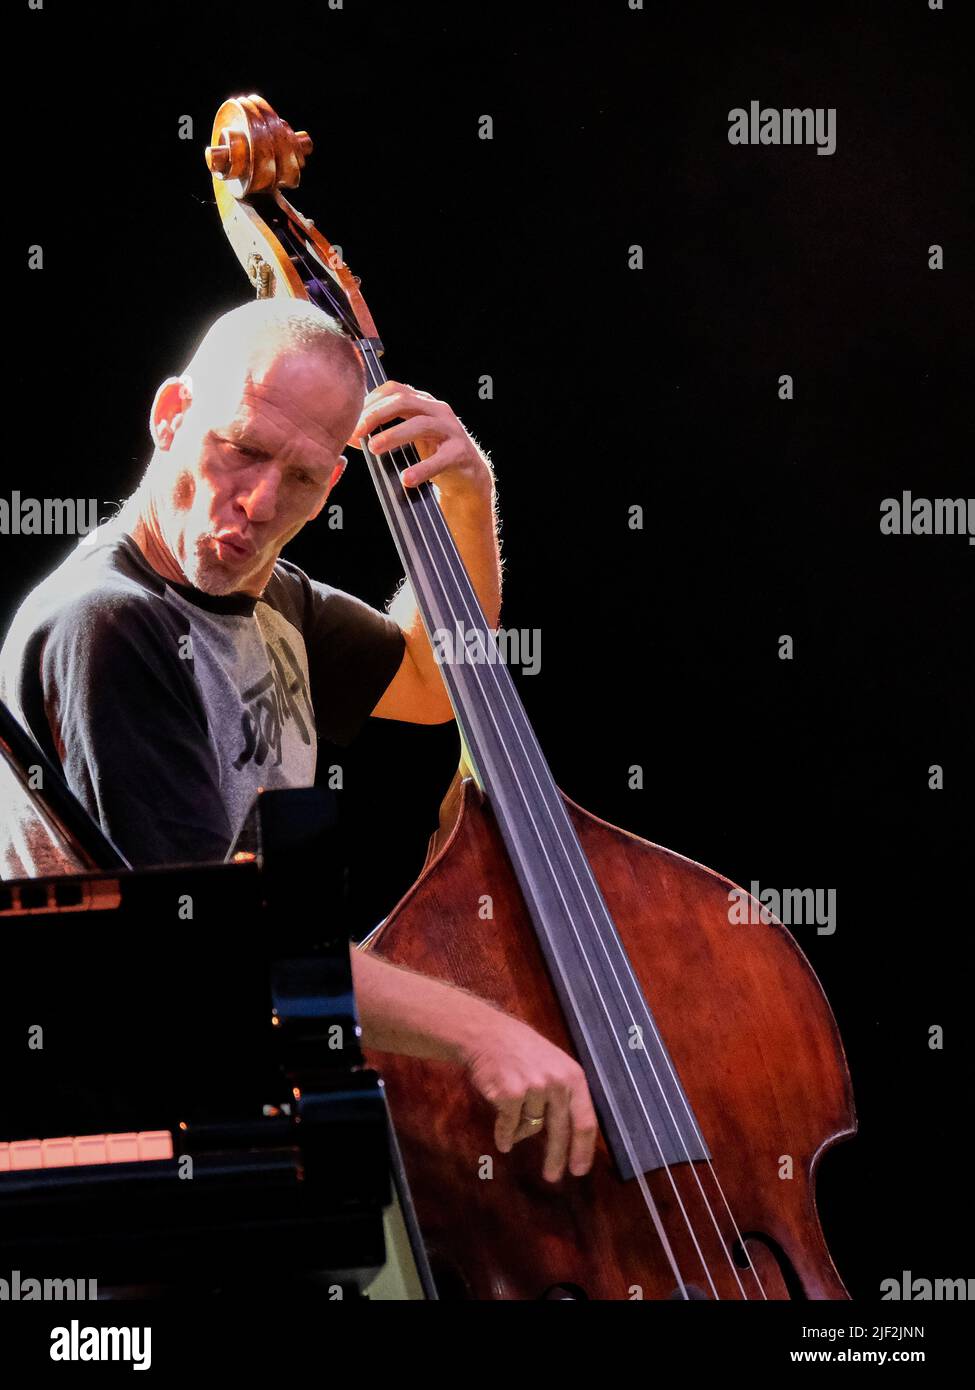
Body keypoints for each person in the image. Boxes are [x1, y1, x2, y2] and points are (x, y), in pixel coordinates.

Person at [0, 298, 597, 1182]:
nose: (259, 502)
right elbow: (217, 935)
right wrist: (480, 1027)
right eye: (240, 447)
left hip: (224, 1102)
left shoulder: (272, 600)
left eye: (305, 476)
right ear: (171, 417)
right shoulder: (107, 626)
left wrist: (468, 497)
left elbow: (438, 682)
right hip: (121, 1143)